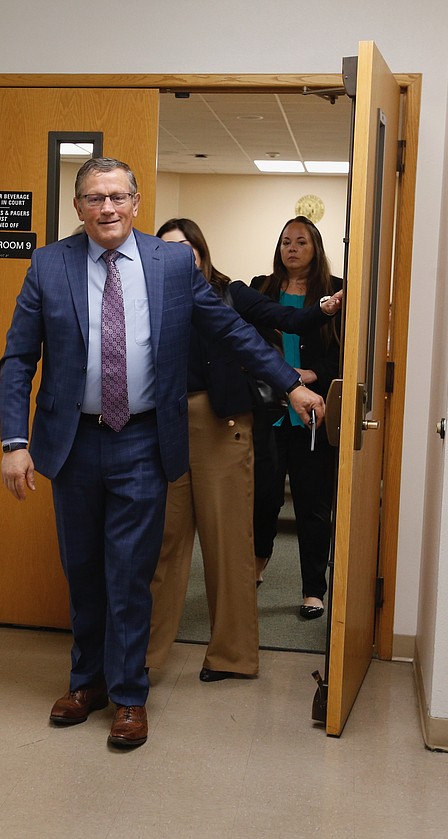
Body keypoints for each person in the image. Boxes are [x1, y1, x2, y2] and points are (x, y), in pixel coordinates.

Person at [0, 158, 324, 749]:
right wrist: (14, 443)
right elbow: (20, 357)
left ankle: (128, 695)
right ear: (78, 207)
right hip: (72, 442)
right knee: (82, 570)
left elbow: (230, 331)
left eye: (117, 197)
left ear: (136, 201)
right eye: (94, 198)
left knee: (131, 571)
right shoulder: (50, 263)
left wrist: (290, 382)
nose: (107, 208)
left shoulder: (171, 262)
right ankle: (86, 681)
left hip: (144, 439)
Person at [146, 218, 343, 682]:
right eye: (167, 250)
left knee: (228, 546)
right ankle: (147, 655)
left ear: (200, 251)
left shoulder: (226, 293)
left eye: (185, 249)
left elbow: (273, 329)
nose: (177, 258)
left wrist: (299, 371)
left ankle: (231, 656)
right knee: (165, 547)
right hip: (166, 424)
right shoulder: (145, 296)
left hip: (224, 423)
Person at [250, 216, 344, 619]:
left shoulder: (334, 292)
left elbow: (344, 350)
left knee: (312, 505)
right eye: (286, 241)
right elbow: (248, 342)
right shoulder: (261, 288)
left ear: (315, 248)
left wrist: (311, 374)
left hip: (311, 415)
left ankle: (312, 590)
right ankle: (255, 568)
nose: (291, 248)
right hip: (268, 410)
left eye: (301, 242)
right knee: (263, 499)